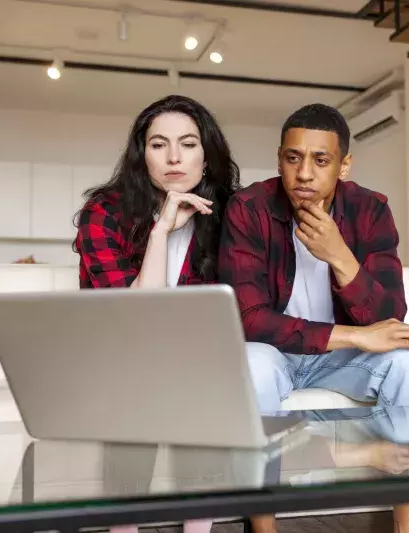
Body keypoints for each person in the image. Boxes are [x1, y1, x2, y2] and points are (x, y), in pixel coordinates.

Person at [218, 103, 409, 533]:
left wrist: (340, 256)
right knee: (251, 365)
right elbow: (248, 319)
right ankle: (265, 528)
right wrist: (353, 336)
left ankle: (408, 529)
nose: (304, 174)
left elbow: (390, 317)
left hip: (339, 364)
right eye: (292, 158)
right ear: (279, 157)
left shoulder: (371, 210)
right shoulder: (249, 208)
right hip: (276, 352)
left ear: (344, 165)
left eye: (321, 160)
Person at [75, 94, 240, 533]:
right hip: (122, 351)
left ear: (207, 156)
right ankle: (124, 526)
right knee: (137, 378)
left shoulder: (228, 217)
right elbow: (135, 316)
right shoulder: (104, 212)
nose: (173, 157)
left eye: (187, 144)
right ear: (140, 155)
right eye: (157, 144)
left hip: (193, 359)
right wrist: (161, 230)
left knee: (200, 377)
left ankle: (196, 528)